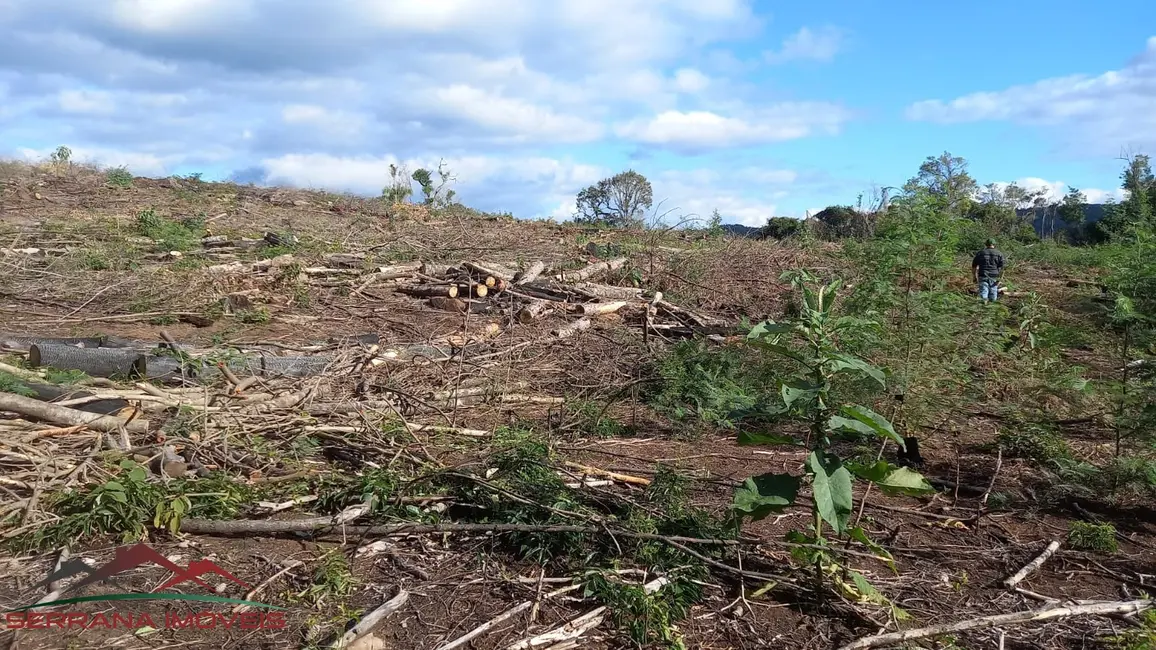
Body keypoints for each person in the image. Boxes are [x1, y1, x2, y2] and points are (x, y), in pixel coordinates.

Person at [972, 238, 1005, 303]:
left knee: (983, 292)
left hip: (983, 275)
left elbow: (974, 266)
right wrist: (1000, 279)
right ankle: (992, 308)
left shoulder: (980, 253)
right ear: (994, 244)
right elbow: (1003, 268)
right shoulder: (999, 254)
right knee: (993, 292)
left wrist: (974, 277)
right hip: (994, 276)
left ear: (986, 244)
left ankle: (983, 307)